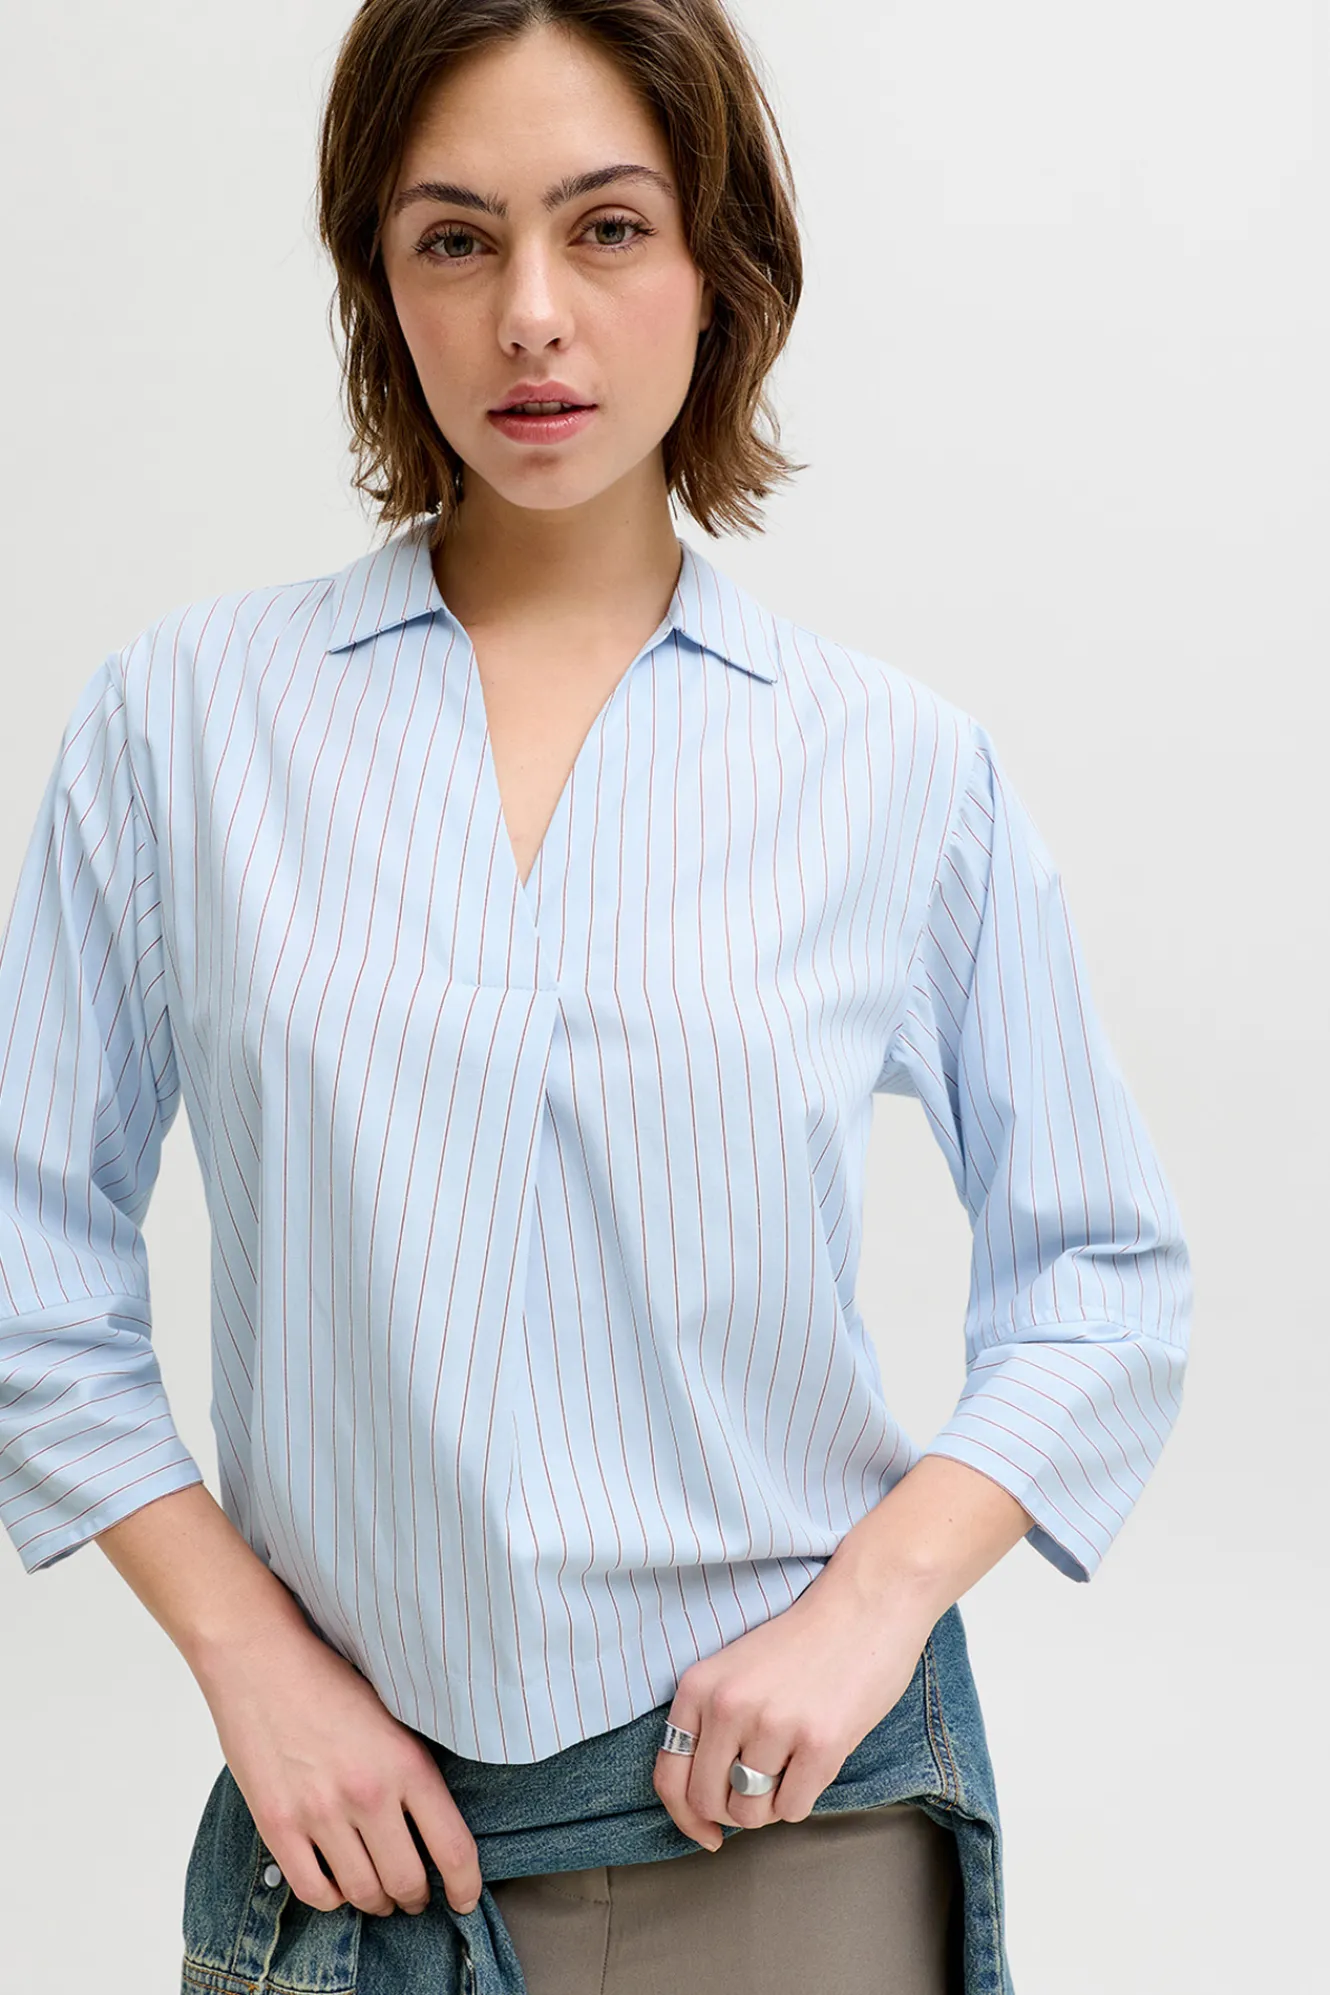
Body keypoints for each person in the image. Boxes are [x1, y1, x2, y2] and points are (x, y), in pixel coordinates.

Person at [0, 3, 1193, 1992]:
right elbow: (27, 1249)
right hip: (354, 1851)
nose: (531, 315)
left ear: (720, 269)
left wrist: (869, 1607)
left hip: (795, 1840)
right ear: (379, 282)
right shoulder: (181, 729)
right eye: (454, 239)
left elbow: (1104, 1278)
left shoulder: (896, 769)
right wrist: (245, 1653)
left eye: (607, 227)